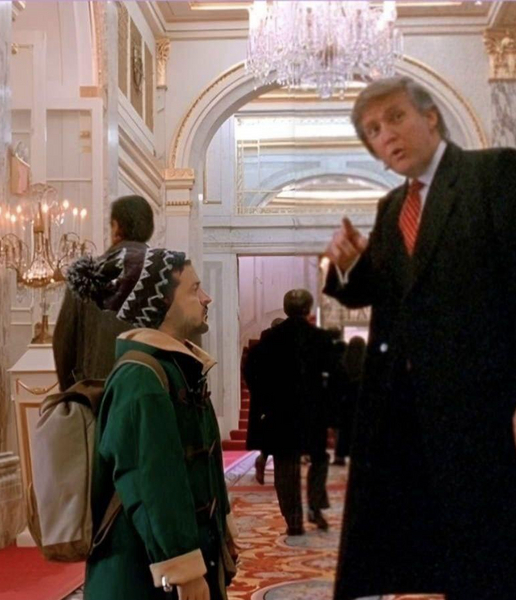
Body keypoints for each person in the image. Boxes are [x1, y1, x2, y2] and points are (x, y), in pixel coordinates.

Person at [324, 76, 516, 600]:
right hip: (420, 422)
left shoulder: (495, 173)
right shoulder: (391, 208)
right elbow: (387, 294)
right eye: (373, 130)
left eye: (395, 117)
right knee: (448, 563)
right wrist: (351, 264)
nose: (386, 135)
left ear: (431, 117)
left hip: (496, 415)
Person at [66, 245, 237, 600]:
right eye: (194, 289)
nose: (206, 298)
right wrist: (184, 569)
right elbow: (152, 483)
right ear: (160, 301)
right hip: (141, 577)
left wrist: (221, 531)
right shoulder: (141, 378)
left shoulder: (177, 368)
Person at [243, 289, 336, 536]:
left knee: (285, 466)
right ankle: (315, 507)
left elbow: (251, 372)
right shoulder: (320, 338)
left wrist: (264, 401)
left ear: (285, 309)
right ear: (308, 309)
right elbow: (335, 376)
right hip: (313, 412)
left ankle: (293, 520)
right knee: (319, 458)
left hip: (280, 413)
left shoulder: (269, 338)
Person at [53, 194, 155, 391]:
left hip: (95, 393)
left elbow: (63, 343)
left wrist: (72, 391)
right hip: (150, 393)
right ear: (149, 229)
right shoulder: (166, 273)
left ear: (116, 227)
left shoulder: (85, 274)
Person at [244, 317, 284, 485]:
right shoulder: (284, 349)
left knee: (269, 436)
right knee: (279, 438)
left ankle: (263, 460)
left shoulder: (258, 349)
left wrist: (256, 391)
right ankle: (278, 474)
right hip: (279, 398)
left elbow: (248, 372)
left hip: (263, 399)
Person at [332, 336, 366, 466]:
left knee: (343, 430)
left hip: (345, 403)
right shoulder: (366, 366)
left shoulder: (343, 364)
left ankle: (340, 455)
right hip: (359, 403)